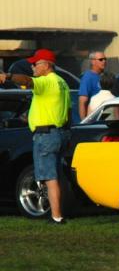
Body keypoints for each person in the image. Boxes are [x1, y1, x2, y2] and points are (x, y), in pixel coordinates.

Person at [0, 49, 71, 224]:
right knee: (56, 175)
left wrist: (7, 76)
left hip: (46, 135)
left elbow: (26, 81)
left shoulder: (46, 81)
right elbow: (68, 110)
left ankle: (56, 216)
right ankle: (61, 211)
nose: (32, 67)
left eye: (35, 64)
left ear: (46, 65)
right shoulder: (62, 82)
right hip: (60, 132)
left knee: (49, 177)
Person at [78, 51, 107, 119]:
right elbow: (82, 101)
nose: (104, 61)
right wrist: (84, 122)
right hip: (94, 118)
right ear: (93, 62)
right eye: (101, 59)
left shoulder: (104, 76)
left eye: (105, 59)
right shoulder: (88, 77)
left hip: (106, 117)